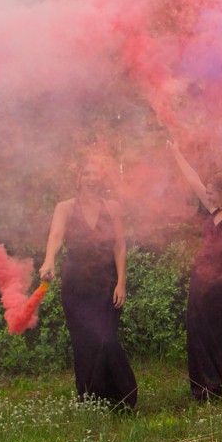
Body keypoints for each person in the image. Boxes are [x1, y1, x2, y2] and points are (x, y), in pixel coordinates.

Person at [40, 157, 138, 410]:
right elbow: (56, 235)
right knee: (84, 342)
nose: (92, 178)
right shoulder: (65, 208)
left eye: (97, 174)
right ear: (79, 178)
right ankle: (91, 398)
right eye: (87, 174)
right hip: (76, 286)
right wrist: (49, 260)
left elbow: (120, 245)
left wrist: (121, 282)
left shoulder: (113, 207)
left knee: (106, 338)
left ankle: (124, 396)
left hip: (106, 284)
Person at [169, 137, 222, 402]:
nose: (207, 194)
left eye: (211, 191)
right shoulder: (212, 211)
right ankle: (207, 385)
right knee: (202, 331)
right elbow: (193, 180)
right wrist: (176, 153)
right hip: (202, 280)